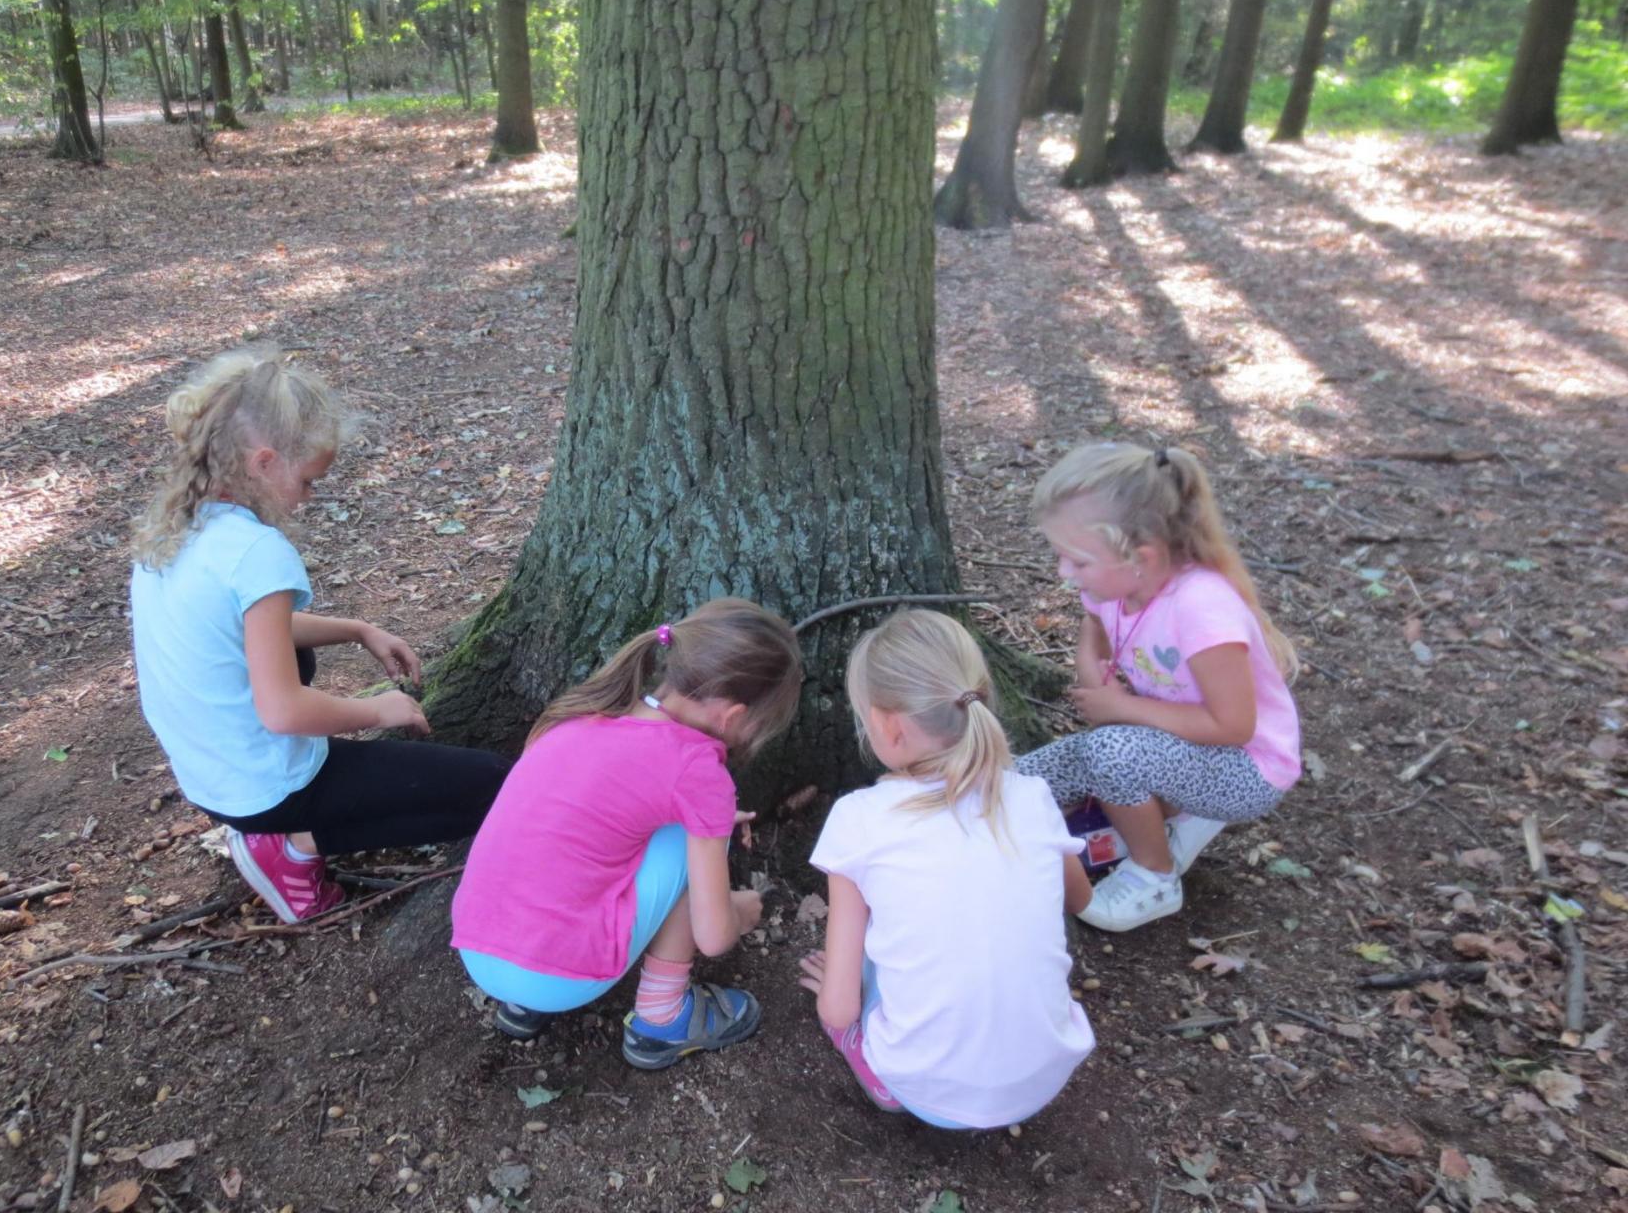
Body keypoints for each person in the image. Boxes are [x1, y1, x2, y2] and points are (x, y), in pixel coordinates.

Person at [129, 348, 509, 923]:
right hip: (265, 791)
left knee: (300, 654)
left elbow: (246, 631)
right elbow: (284, 711)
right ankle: (291, 847)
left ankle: (283, 829)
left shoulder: (179, 525)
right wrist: (378, 710)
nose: (309, 497)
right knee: (495, 786)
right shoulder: (258, 552)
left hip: (210, 777)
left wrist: (358, 630)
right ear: (264, 462)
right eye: (308, 481)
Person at [451, 599, 801, 1070]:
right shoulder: (697, 770)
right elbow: (715, 937)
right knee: (694, 839)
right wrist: (739, 908)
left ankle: (523, 1006)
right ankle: (662, 1016)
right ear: (733, 716)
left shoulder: (585, 712)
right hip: (561, 978)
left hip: (478, 949)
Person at [798, 609, 1094, 1129]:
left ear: (887, 725)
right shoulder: (1032, 796)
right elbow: (1080, 899)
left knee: (868, 953)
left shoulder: (858, 819)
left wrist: (839, 991)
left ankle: (880, 1074)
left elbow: (837, 1009)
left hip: (923, 1090)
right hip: (1044, 1077)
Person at [1017, 442, 1301, 932]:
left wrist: (1121, 709)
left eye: (1077, 561)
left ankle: (1156, 874)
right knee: (1024, 777)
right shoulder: (1115, 585)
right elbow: (1096, 641)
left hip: (1247, 768)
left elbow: (1234, 726)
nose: (1064, 573)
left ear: (1140, 556)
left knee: (1109, 752)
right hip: (1170, 740)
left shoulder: (1202, 609)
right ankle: (1150, 812)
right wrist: (1095, 672)